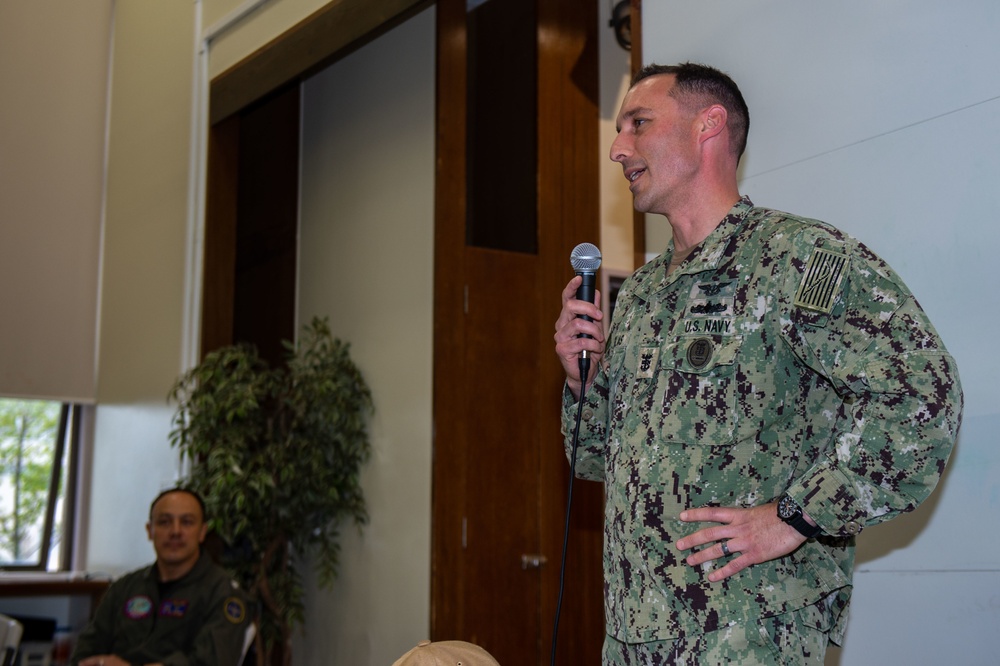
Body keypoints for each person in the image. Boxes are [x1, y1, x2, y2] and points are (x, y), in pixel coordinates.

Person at [553, 62, 963, 664]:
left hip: (747, 633)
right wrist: (577, 379)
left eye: (638, 124)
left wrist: (795, 516)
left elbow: (923, 397)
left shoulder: (797, 259)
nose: (618, 149)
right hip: (633, 635)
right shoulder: (639, 295)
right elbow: (595, 461)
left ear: (708, 126)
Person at [72, 488, 250, 666]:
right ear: (150, 530)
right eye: (164, 522)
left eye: (187, 522)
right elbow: (85, 654)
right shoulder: (124, 588)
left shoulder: (223, 593)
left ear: (202, 532)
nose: (175, 531)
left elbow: (211, 662)